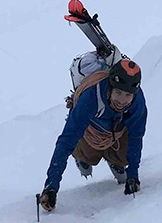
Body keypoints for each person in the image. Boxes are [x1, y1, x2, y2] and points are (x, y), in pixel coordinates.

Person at [39, 58, 147, 211]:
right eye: (118, 92)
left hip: (115, 134)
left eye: (127, 95)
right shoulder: (91, 97)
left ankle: (114, 159)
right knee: (86, 156)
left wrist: (133, 176)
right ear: (110, 86)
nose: (122, 100)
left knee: (125, 156)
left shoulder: (137, 102)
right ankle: (83, 157)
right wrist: (51, 186)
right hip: (89, 134)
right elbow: (67, 140)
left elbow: (136, 137)